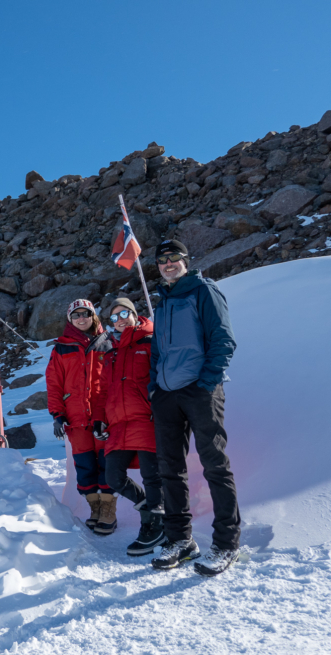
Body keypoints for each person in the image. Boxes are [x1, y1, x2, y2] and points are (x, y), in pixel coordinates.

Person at [147, 239, 241, 576]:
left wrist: (206, 381)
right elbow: (158, 349)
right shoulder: (164, 300)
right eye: (162, 260)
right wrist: (154, 386)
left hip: (201, 391)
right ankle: (181, 540)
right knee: (169, 469)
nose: (168, 264)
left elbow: (224, 339)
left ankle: (227, 544)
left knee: (215, 466)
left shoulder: (204, 291)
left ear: (187, 261)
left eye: (174, 258)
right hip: (167, 394)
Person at [90, 297, 166, 553]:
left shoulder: (152, 341)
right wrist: (100, 417)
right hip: (118, 425)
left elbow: (163, 378)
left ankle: (154, 528)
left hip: (146, 419)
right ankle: (148, 506)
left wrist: (160, 407)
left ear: (135, 315)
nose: (120, 320)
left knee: (152, 477)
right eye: (114, 317)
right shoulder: (112, 353)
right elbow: (104, 392)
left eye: (124, 314)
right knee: (113, 477)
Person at [46, 299, 115, 534]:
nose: (81, 318)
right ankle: (94, 508)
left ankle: (108, 511)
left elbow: (114, 382)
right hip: (76, 421)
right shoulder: (61, 348)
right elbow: (54, 384)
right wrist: (57, 414)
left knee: (107, 464)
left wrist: (107, 413)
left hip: (103, 417)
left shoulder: (109, 343)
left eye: (86, 314)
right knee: (85, 466)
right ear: (70, 319)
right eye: (76, 315)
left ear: (93, 316)